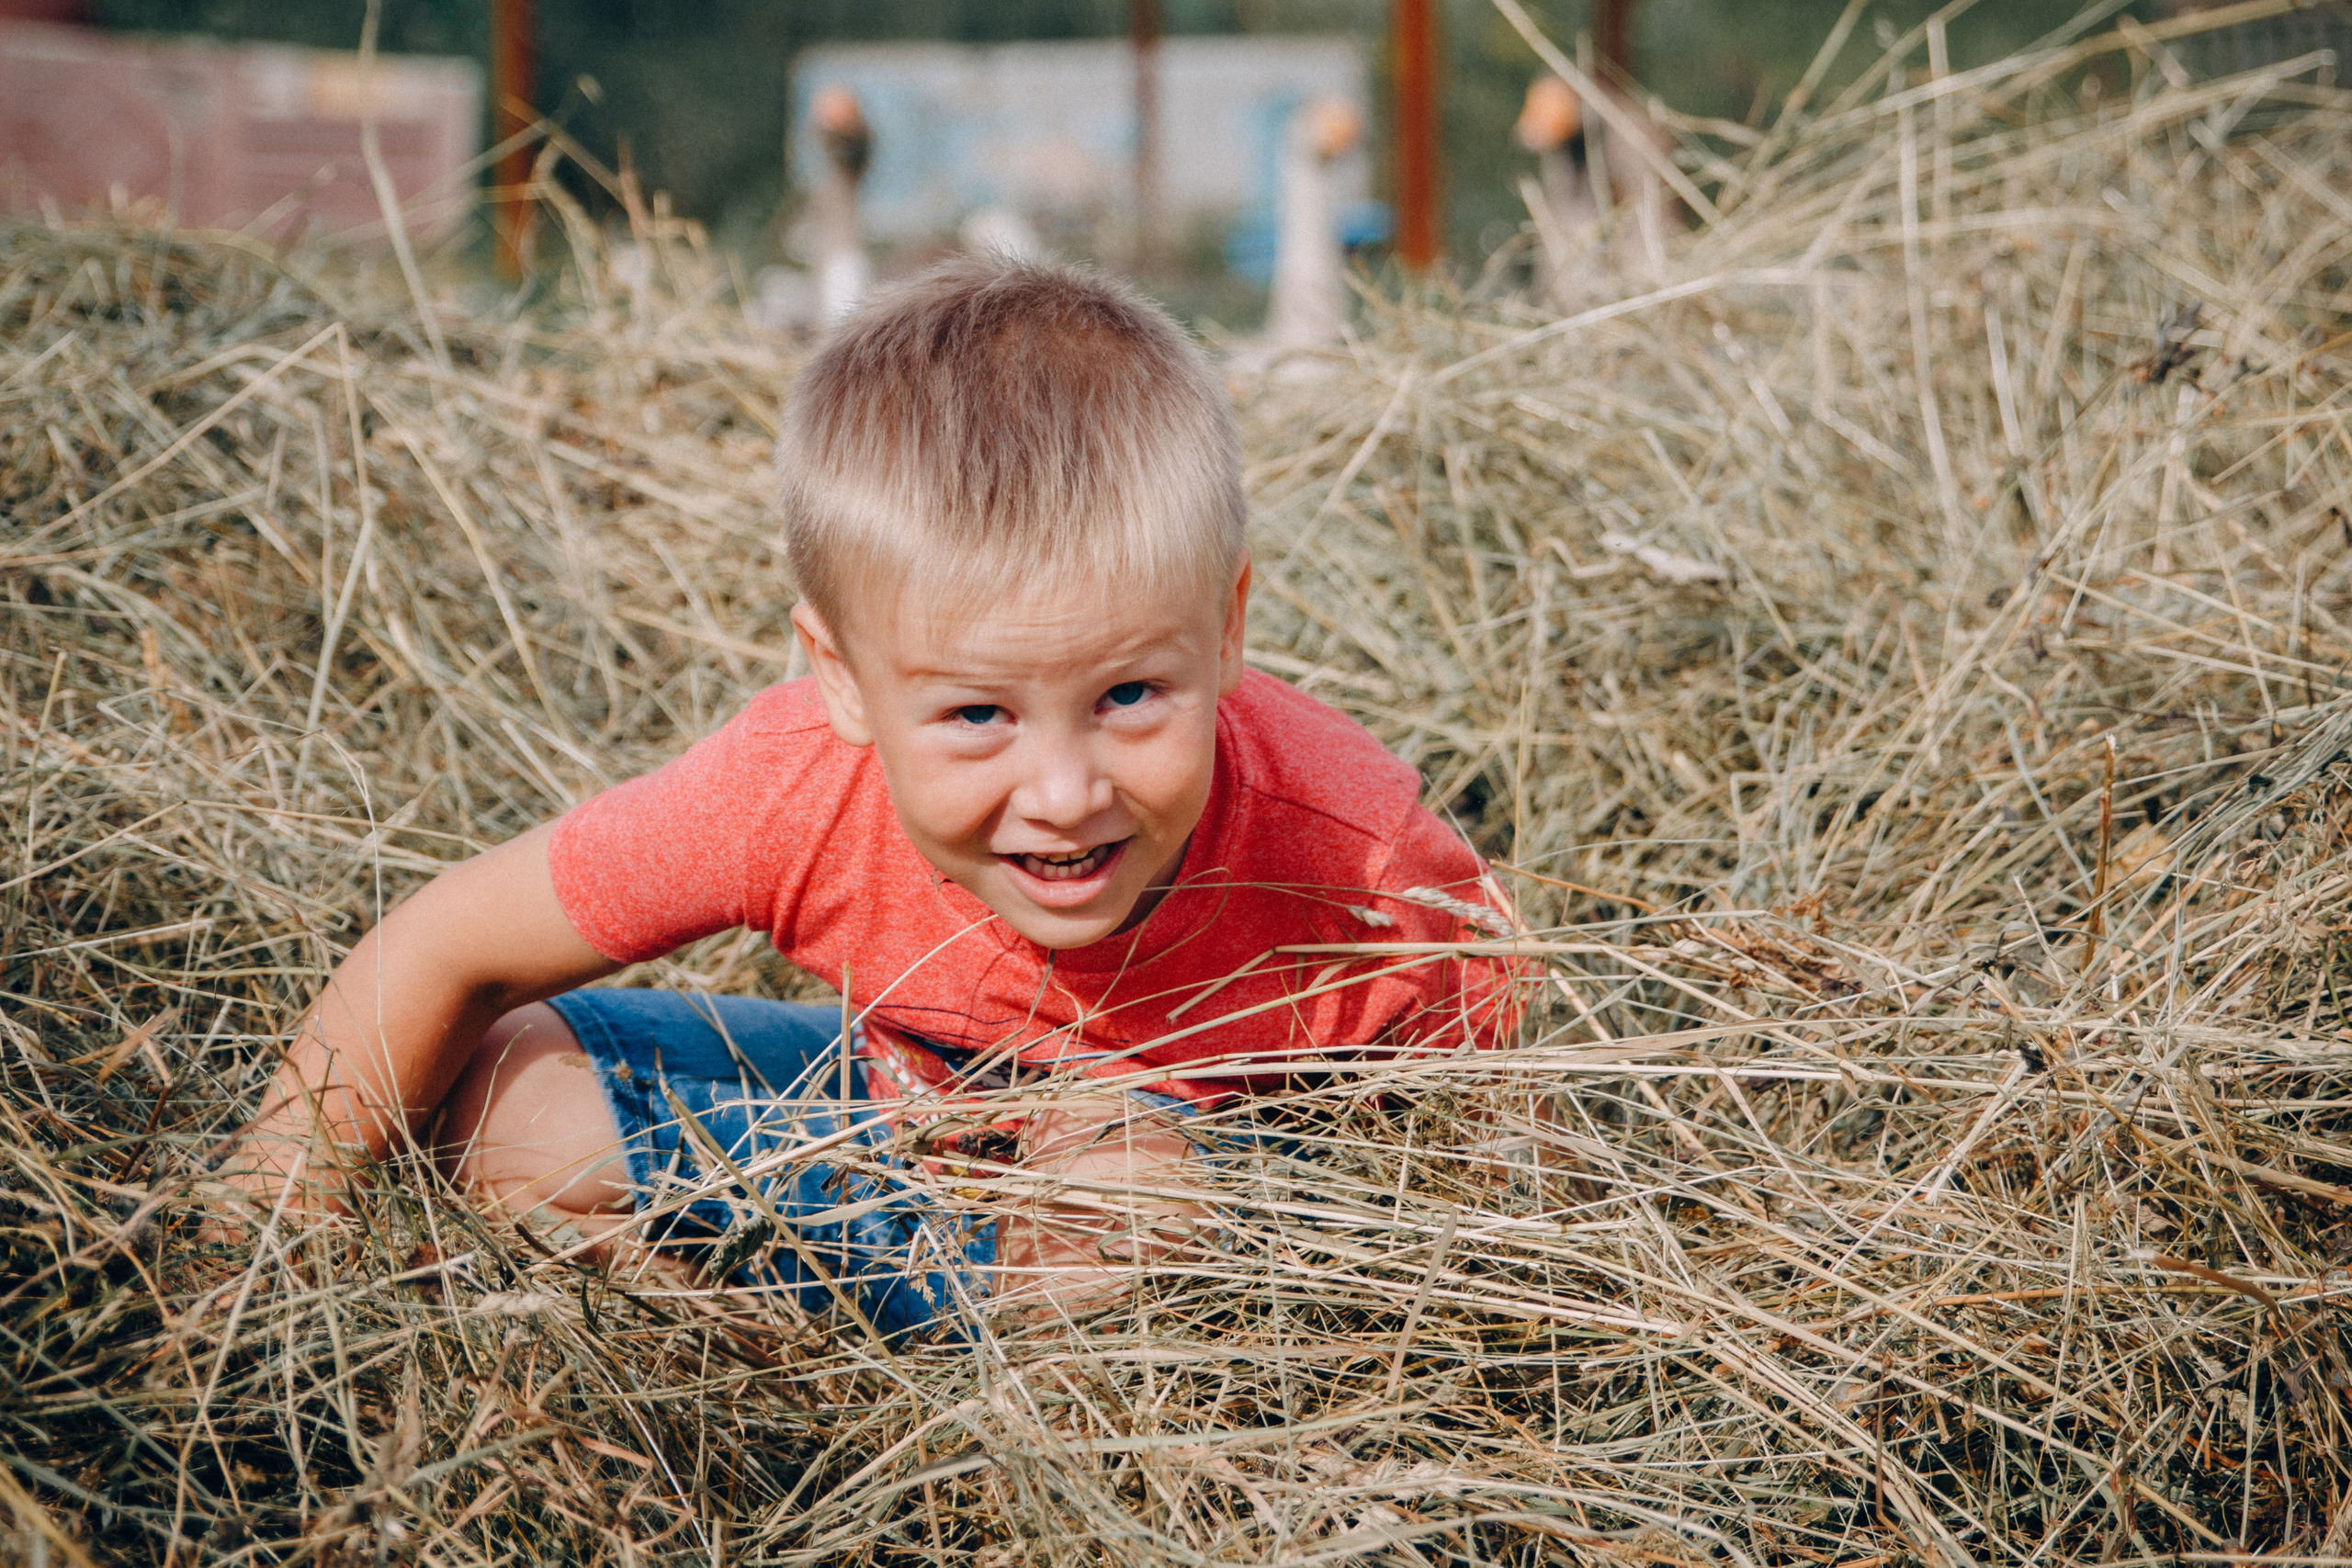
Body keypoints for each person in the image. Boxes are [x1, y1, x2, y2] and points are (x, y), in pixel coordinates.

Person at [220, 258, 1522, 1340]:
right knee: (509, 1091)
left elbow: (1502, 1107)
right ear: (841, 679)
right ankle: (734, 1365)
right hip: (899, 1150)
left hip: (1193, 1216)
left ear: (1226, 630)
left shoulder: (1353, 853)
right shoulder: (791, 784)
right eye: (975, 717)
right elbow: (445, 946)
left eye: (1130, 695)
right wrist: (253, 1242)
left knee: (1119, 1183)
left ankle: (1023, 1474)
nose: (1063, 794)